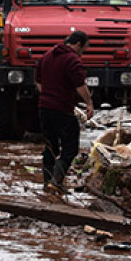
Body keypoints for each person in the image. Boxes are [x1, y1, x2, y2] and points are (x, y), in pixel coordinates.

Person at [34, 30, 94, 192]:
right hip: (63, 109)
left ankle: (47, 184)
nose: (82, 54)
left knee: (51, 147)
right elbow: (80, 85)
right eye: (83, 50)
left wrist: (47, 95)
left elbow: (38, 81)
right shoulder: (72, 60)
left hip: (44, 108)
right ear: (78, 44)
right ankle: (56, 181)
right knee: (70, 148)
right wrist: (89, 103)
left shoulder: (47, 56)